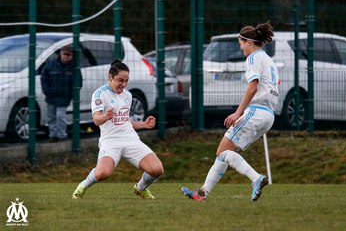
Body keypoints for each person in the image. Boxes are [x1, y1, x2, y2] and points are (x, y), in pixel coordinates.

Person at [181, 21, 279, 201]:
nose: (240, 48)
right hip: (268, 115)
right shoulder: (268, 60)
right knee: (224, 153)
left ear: (248, 42)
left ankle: (256, 178)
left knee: (223, 152)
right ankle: (202, 194)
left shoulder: (253, 58)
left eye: (241, 43)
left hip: (255, 111)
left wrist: (238, 113)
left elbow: (253, 87)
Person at [72, 59, 164, 200]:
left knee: (157, 170)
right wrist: (105, 116)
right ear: (110, 77)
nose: (124, 84)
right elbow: (96, 120)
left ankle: (140, 189)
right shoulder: (99, 94)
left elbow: (125, 121)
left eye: (126, 81)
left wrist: (143, 125)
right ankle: (83, 185)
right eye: (120, 80)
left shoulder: (127, 95)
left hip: (130, 139)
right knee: (102, 174)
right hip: (110, 140)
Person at [41, 45, 82, 142]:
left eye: (69, 55)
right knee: (51, 116)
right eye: (64, 54)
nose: (66, 56)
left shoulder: (74, 67)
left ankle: (61, 135)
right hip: (51, 95)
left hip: (64, 96)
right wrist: (47, 90)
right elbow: (44, 77)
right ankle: (53, 135)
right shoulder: (51, 64)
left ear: (72, 56)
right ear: (61, 54)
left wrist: (71, 94)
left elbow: (78, 82)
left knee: (60, 116)